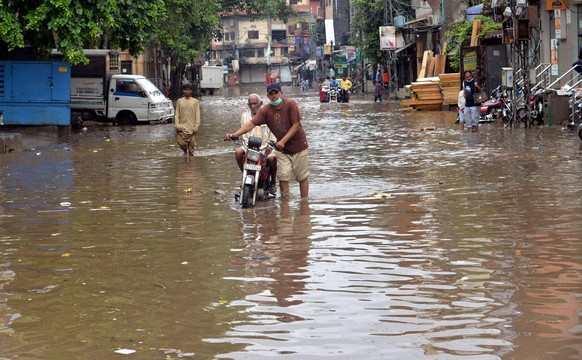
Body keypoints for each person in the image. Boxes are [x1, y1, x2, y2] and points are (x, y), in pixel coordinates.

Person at [225, 83, 309, 199]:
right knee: (283, 177)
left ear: (281, 93)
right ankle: (285, 206)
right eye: (271, 94)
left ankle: (304, 205)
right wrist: (234, 135)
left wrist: (282, 141)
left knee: (301, 177)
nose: (274, 96)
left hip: (297, 147)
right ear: (268, 96)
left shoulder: (290, 104)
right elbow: (251, 124)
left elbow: (296, 125)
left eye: (276, 93)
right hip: (282, 149)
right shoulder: (266, 110)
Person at [235, 94, 278, 195]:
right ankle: (245, 176)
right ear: (248, 105)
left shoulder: (269, 114)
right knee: (238, 153)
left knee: (272, 159)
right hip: (249, 146)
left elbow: (274, 133)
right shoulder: (244, 116)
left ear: (261, 103)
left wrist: (271, 144)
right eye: (250, 104)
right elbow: (244, 134)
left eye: (255, 103)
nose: (253, 106)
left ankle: (273, 182)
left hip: (265, 146)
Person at [175, 83, 201, 155]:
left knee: (191, 151)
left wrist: (196, 126)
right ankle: (184, 152)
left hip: (192, 128)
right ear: (183, 91)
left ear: (191, 91)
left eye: (188, 90)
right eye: (185, 90)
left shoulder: (195, 102)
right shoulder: (179, 101)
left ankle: (191, 165)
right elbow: (177, 114)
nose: (187, 91)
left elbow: (197, 115)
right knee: (181, 143)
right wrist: (177, 125)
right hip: (182, 128)